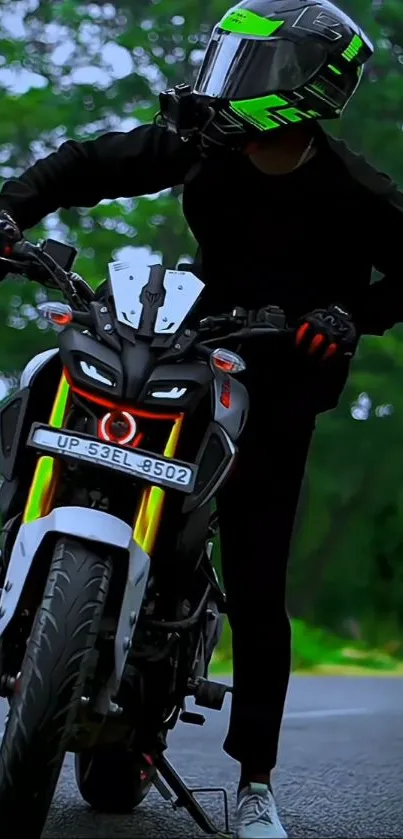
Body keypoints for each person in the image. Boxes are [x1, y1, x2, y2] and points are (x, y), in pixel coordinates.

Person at [0, 0, 401, 835]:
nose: (230, 80)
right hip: (193, 341)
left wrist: (349, 315)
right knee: (45, 383)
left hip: (281, 380)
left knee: (257, 581)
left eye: (256, 66)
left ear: (302, 85)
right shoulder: (203, 144)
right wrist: (11, 212)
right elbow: (85, 165)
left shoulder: (353, 188)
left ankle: (254, 781)